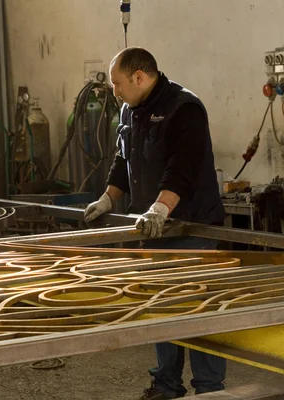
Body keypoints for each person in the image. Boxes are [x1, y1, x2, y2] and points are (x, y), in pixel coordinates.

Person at [84, 47, 227, 399]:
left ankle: (209, 390)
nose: (114, 91)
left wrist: (161, 209)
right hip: (154, 229)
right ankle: (166, 385)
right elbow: (123, 159)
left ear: (139, 77)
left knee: (199, 310)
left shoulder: (185, 108)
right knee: (161, 307)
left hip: (191, 228)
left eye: (117, 83)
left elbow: (183, 168)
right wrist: (108, 198)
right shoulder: (129, 110)